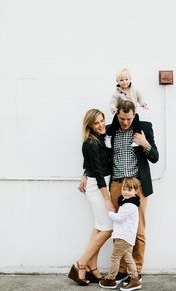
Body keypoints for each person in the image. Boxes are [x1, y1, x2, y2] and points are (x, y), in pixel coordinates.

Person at [79, 100, 159, 287]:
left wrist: (145, 144)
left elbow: (155, 157)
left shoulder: (144, 128)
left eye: (128, 118)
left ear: (134, 114)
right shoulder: (109, 129)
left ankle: (136, 272)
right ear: (117, 116)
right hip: (115, 184)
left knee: (137, 230)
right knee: (119, 229)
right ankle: (122, 270)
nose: (125, 122)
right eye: (122, 118)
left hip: (136, 185)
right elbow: (93, 154)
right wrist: (85, 174)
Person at [68, 109, 115, 286]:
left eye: (102, 120)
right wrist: (108, 199)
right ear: (90, 126)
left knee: (99, 226)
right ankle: (80, 264)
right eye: (96, 123)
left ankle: (93, 268)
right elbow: (98, 172)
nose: (101, 125)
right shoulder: (90, 143)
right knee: (108, 229)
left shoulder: (102, 135)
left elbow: (89, 163)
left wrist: (84, 173)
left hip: (100, 182)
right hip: (98, 186)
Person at [99, 177, 142, 291]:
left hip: (123, 237)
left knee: (115, 258)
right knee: (128, 258)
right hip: (126, 237)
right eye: (124, 188)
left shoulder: (129, 206)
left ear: (136, 191)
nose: (126, 192)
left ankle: (110, 279)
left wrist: (110, 213)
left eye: (130, 189)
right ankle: (135, 279)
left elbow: (119, 218)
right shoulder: (127, 203)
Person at [106, 68, 148, 148]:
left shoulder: (134, 90)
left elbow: (140, 97)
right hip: (121, 112)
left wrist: (143, 103)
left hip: (132, 113)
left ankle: (136, 139)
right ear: (117, 81)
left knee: (137, 124)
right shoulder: (117, 92)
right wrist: (113, 108)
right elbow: (112, 101)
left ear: (130, 79)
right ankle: (108, 136)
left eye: (126, 79)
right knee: (114, 123)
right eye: (121, 80)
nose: (124, 82)